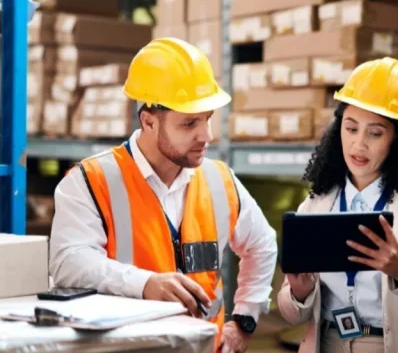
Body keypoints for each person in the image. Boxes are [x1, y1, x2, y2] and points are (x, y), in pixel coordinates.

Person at [49, 38, 278, 353]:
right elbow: (69, 262)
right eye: (189, 123)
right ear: (149, 121)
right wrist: (145, 284)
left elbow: (263, 245)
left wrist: (245, 320)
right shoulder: (90, 181)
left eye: (208, 119)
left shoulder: (219, 181)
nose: (206, 136)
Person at [276, 57, 398, 353]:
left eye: (374, 133)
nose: (359, 144)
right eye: (350, 129)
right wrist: (299, 291)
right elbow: (291, 312)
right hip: (330, 344)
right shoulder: (316, 203)